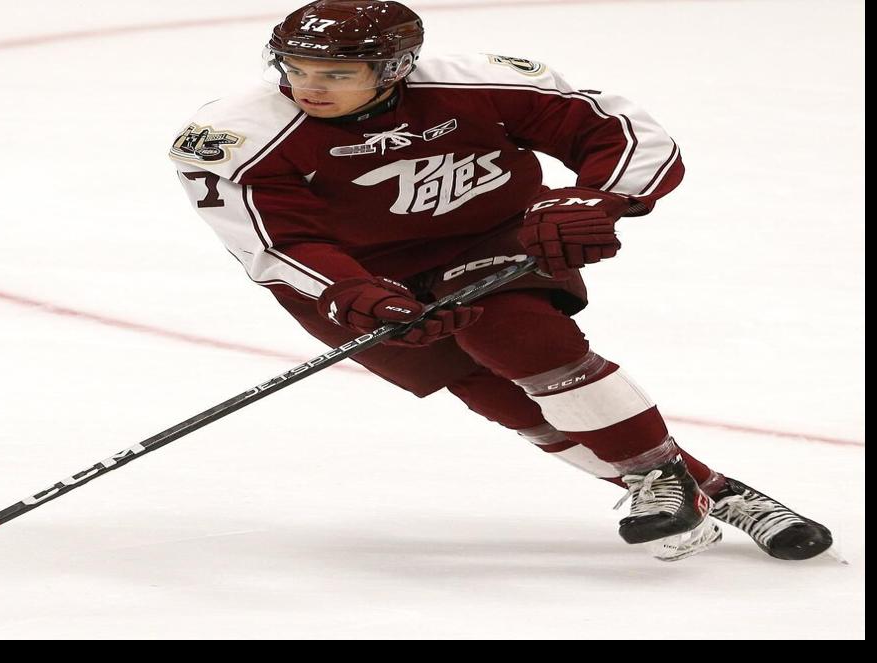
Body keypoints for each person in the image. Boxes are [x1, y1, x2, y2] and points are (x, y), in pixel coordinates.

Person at [169, 0, 832, 561]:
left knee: (519, 337)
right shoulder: (235, 134)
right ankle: (714, 488)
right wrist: (360, 294)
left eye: (337, 72)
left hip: (490, 239)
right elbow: (280, 243)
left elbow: (622, 132)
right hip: (354, 276)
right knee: (493, 393)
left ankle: (658, 476)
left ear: (395, 67)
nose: (310, 85)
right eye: (296, 67)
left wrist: (593, 199)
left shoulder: (478, 82)